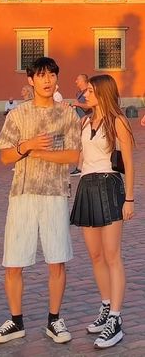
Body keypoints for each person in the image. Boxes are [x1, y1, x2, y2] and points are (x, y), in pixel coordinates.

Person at [0, 57, 81, 345]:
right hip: (23, 193)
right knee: (13, 262)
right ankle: (16, 321)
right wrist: (27, 146)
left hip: (54, 193)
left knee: (57, 261)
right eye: (41, 75)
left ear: (56, 78)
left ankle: (54, 320)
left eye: (51, 74)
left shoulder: (67, 115)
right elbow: (4, 156)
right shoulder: (17, 115)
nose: (47, 80)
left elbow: (73, 156)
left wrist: (39, 154)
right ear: (30, 80)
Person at [70, 74, 134, 349]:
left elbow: (129, 164)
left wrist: (129, 199)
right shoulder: (85, 121)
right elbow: (79, 158)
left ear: (103, 93)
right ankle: (106, 307)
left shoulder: (118, 121)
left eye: (91, 91)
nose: (86, 94)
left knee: (112, 255)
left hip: (109, 186)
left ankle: (116, 320)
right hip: (87, 185)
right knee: (95, 255)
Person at [70, 73, 91, 176]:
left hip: (87, 121)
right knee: (82, 144)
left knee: (83, 144)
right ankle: (81, 166)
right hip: (80, 121)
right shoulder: (79, 93)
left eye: (77, 79)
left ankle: (80, 167)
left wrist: (77, 104)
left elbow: (88, 106)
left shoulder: (89, 91)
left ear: (83, 81)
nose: (75, 81)